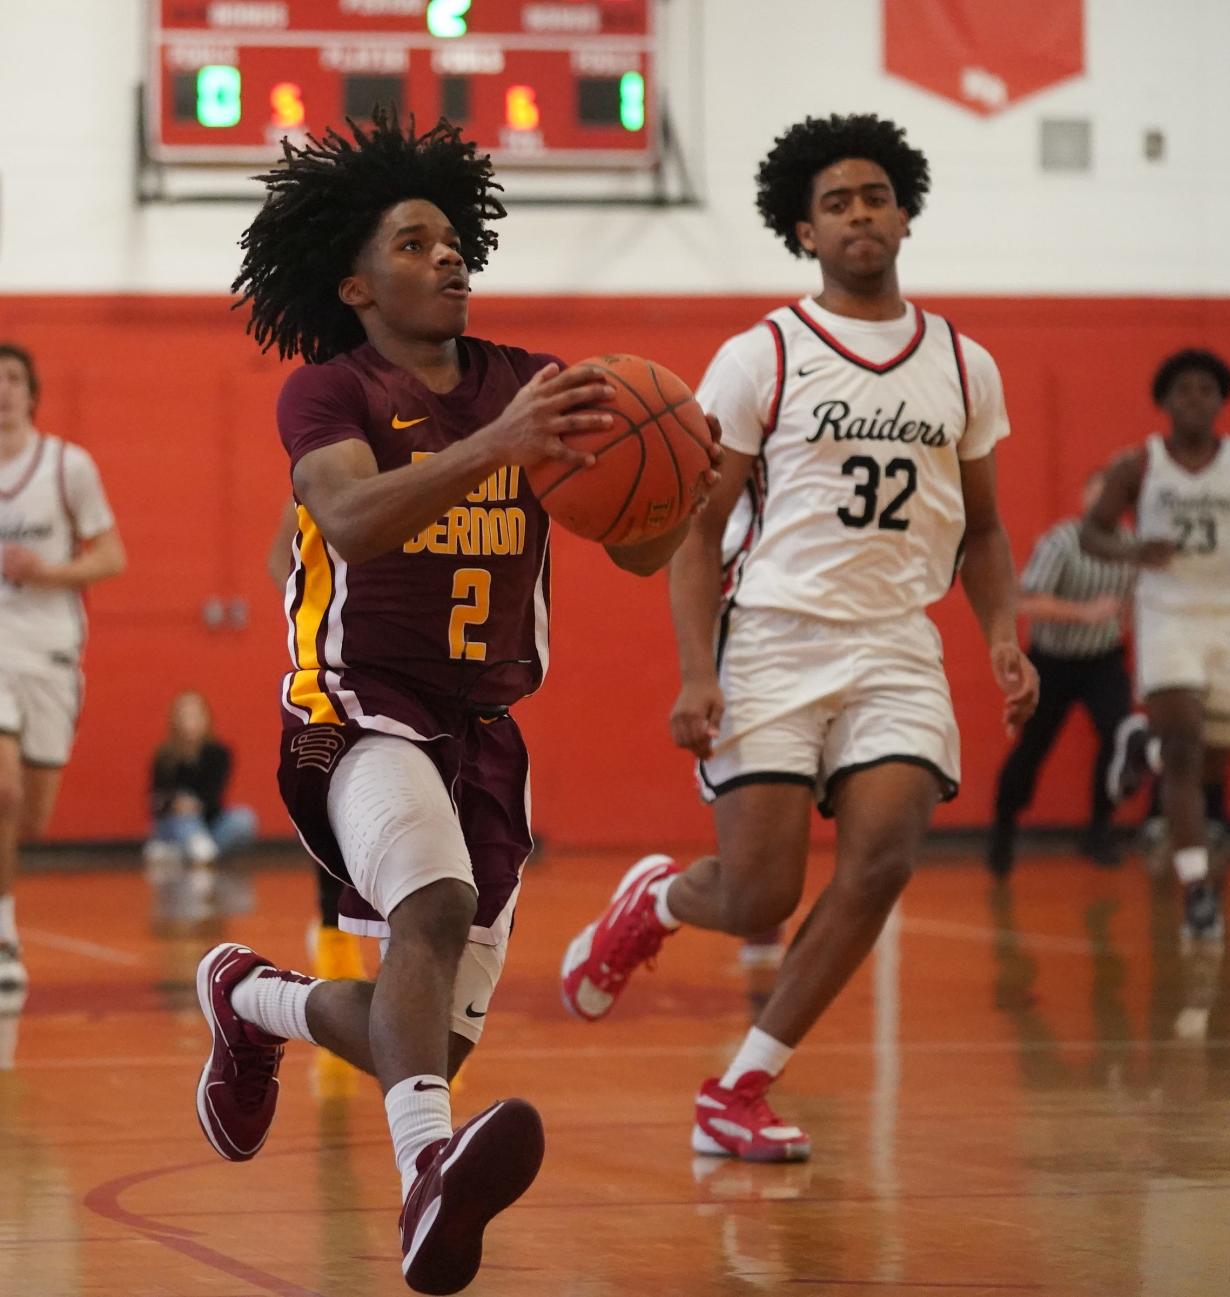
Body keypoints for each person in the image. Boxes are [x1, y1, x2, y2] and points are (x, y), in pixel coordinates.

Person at [195, 111, 716, 1295]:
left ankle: (252, 997)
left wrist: (684, 479)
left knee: (425, 1030)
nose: (447, 257)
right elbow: (354, 521)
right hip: (353, 709)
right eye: (415, 242)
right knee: (432, 905)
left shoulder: (528, 384)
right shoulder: (328, 391)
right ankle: (428, 1180)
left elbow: (634, 552)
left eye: (452, 239)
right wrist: (502, 447)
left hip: (485, 730)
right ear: (354, 281)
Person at [561, 113, 1038, 1162]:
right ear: (803, 232)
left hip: (897, 645)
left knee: (882, 861)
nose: (860, 213)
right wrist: (696, 671)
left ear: (905, 211)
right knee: (759, 892)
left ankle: (741, 1083)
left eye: (875, 194)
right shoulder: (761, 353)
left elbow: (990, 529)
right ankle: (656, 899)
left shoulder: (964, 363)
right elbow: (694, 529)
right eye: (836, 203)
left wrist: (1002, 633)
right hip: (772, 633)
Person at [1082, 348, 1230, 941]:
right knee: (1185, 748)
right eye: (1183, 390)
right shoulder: (1140, 465)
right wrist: (1132, 551)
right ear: (1165, 402)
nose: (1195, 399)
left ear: (1222, 401)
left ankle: (1139, 745)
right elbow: (1092, 531)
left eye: (1207, 390)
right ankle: (1197, 892)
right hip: (1168, 615)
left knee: (1206, 762)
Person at [0, 343, 126, 998]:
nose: (2, 389)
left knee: (31, 813)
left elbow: (111, 556)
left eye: (14, 377)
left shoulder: (66, 465)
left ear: (32, 391)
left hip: (48, 644)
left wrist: (46, 571)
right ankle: (4, 933)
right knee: (3, 789)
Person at [986, 470, 1135, 876]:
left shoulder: (1129, 546)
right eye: (1099, 492)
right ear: (1086, 497)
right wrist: (1085, 613)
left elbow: (1134, 597)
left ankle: (1099, 829)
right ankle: (1003, 829)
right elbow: (1026, 602)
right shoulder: (1061, 541)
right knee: (1032, 748)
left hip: (1103, 659)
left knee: (1119, 734)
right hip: (1053, 660)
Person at [266, 497, 365, 984]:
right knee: (330, 804)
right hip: (336, 676)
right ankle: (333, 936)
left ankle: (420, 957)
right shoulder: (323, 472)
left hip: (417, 673)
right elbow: (276, 563)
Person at [144, 689, 258, 910]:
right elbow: (155, 802)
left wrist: (195, 804)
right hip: (175, 823)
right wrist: (177, 804)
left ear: (206, 719)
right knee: (184, 819)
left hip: (209, 822)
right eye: (185, 716)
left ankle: (185, 853)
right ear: (175, 721)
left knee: (244, 820)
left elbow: (214, 796)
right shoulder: (165, 756)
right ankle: (191, 848)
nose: (190, 722)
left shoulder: (219, 753)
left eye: (195, 715)